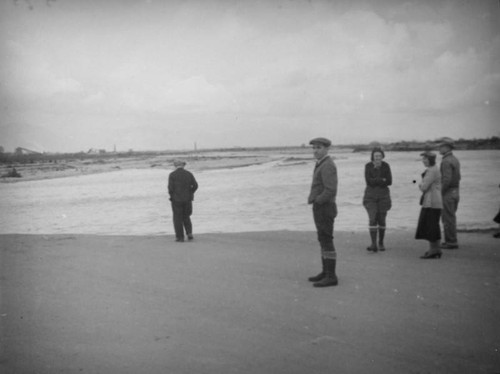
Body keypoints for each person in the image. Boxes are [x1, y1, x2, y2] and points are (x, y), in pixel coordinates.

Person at [307, 137, 339, 287]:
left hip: (325, 207)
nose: (315, 150)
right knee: (322, 239)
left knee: (326, 239)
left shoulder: (328, 165)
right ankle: (325, 272)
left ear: (327, 149)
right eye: (314, 148)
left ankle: (331, 276)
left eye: (318, 147)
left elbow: (330, 190)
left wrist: (318, 201)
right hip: (321, 207)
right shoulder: (321, 163)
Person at [362, 147, 392, 252]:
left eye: (380, 156)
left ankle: (381, 243)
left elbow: (389, 181)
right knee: (372, 218)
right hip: (370, 196)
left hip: (384, 196)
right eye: (376, 156)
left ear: (383, 156)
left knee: (382, 219)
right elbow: (368, 181)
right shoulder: (368, 166)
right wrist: (380, 179)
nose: (378, 158)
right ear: (372, 157)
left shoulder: (386, 166)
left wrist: (376, 180)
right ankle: (373, 243)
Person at [415, 151, 443, 259]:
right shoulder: (435, 168)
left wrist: (419, 184)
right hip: (435, 201)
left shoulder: (431, 171)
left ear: (431, 160)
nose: (423, 161)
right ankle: (436, 249)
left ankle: (433, 250)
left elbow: (423, 187)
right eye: (423, 159)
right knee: (433, 225)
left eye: (425, 159)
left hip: (431, 201)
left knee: (430, 226)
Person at [168, 159, 198, 242]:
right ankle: (189, 233)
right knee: (186, 216)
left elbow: (170, 189)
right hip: (187, 199)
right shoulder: (189, 174)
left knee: (177, 218)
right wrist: (190, 193)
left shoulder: (172, 175)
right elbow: (195, 185)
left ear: (175, 166)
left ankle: (180, 237)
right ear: (183, 165)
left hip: (176, 199)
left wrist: (172, 196)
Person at [438, 137, 461, 249]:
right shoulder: (455, 159)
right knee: (451, 217)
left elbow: (446, 180)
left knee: (447, 218)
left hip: (448, 193)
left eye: (441, 146)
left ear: (446, 147)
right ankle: (451, 240)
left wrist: (439, 193)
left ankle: (451, 242)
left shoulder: (446, 161)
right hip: (456, 191)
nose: (439, 148)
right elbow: (458, 177)